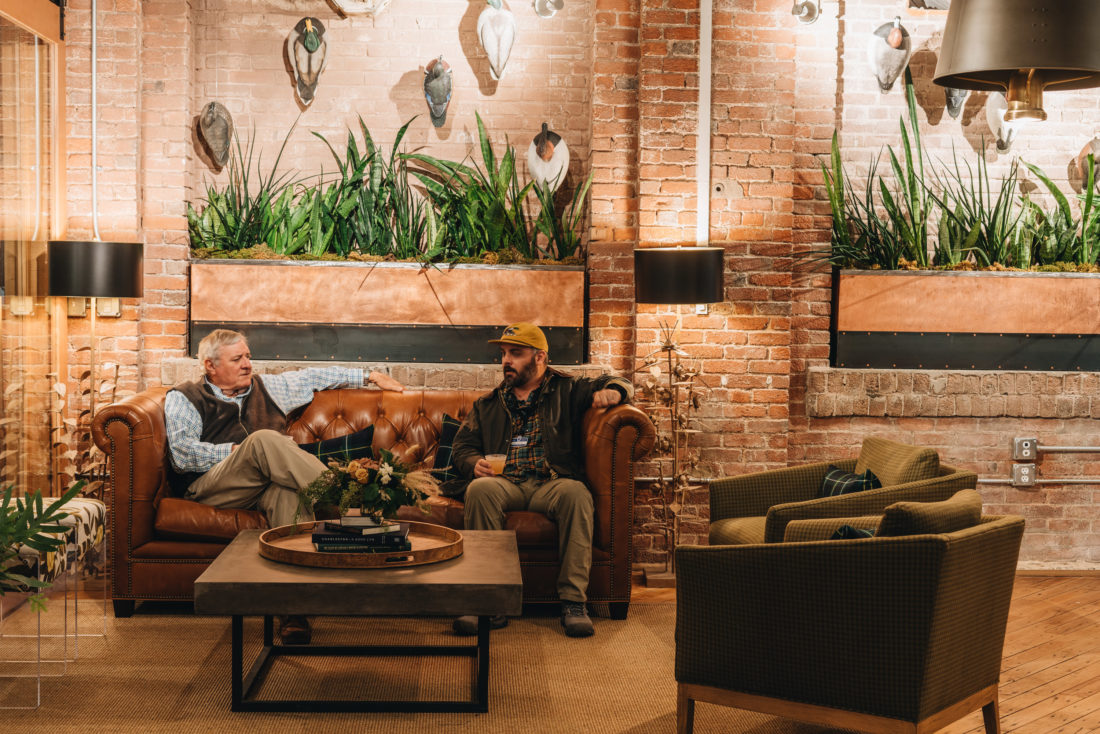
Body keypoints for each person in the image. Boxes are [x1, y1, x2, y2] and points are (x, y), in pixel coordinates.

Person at [164, 328, 404, 644]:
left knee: (288, 494)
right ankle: (346, 501)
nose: (247, 364)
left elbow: (314, 376)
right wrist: (239, 452)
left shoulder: (269, 387)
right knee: (262, 440)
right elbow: (182, 455)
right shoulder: (184, 397)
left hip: (263, 487)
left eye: (247, 356)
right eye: (237, 359)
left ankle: (295, 611)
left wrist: (371, 376)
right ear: (210, 365)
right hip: (213, 487)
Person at [449, 323, 632, 638]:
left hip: (552, 481)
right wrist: (472, 463)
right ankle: (489, 601)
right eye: (504, 353)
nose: (506, 360)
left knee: (577, 494)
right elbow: (462, 447)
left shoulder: (569, 390)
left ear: (540, 357)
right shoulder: (488, 404)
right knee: (480, 490)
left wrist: (615, 392)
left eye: (515, 353)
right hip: (505, 481)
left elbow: (619, 380)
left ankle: (574, 602)